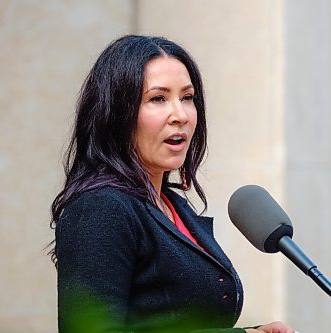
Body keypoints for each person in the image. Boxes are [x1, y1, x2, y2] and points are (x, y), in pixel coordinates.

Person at [49, 35, 296, 333]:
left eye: (188, 98)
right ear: (116, 113)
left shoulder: (173, 207)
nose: (180, 115)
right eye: (157, 99)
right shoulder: (100, 208)